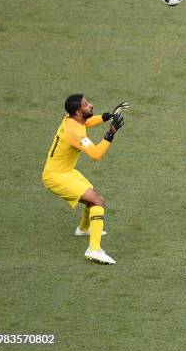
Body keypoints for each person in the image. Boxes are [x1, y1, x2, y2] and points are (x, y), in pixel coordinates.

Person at [42, 94, 128, 265]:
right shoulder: (74, 132)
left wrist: (108, 115)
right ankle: (94, 250)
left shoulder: (71, 119)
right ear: (78, 111)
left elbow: (87, 123)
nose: (91, 105)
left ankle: (83, 229)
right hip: (56, 176)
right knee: (98, 201)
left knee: (92, 195)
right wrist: (111, 133)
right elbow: (96, 155)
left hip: (65, 171)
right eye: (86, 105)